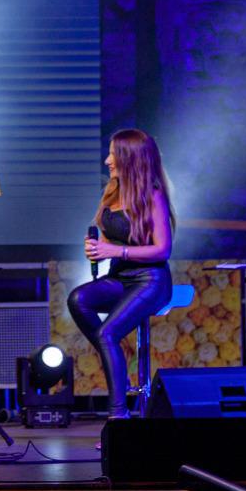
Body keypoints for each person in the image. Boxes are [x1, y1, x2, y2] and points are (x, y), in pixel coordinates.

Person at [64, 128, 175, 418]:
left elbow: (162, 250)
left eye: (112, 154)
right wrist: (101, 247)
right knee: (79, 300)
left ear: (128, 158)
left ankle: (118, 418)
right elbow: (116, 240)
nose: (107, 161)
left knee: (108, 332)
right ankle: (111, 357)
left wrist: (115, 251)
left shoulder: (153, 195)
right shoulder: (112, 191)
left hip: (150, 281)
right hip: (120, 277)